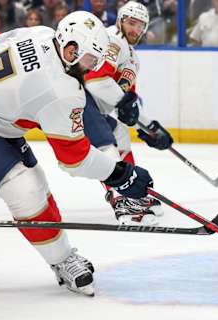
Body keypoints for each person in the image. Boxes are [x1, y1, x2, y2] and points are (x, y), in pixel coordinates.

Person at [0, 11, 153, 296]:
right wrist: (121, 174)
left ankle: (61, 257)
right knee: (25, 188)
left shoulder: (40, 33)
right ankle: (61, 259)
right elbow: (75, 159)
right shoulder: (61, 91)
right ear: (71, 50)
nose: (92, 67)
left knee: (35, 182)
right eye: (91, 60)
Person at [84, 1, 173, 226]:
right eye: (131, 23)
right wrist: (131, 110)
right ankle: (119, 195)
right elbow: (96, 82)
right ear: (120, 20)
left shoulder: (132, 58)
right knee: (107, 143)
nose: (135, 29)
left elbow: (127, 106)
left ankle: (130, 192)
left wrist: (149, 128)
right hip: (77, 103)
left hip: (94, 108)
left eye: (140, 25)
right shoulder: (111, 40)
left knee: (121, 132)